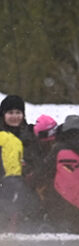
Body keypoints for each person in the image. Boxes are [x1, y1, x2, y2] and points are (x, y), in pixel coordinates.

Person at [0, 94, 37, 230]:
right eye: (10, 113)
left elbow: (37, 158)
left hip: (27, 185)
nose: (15, 116)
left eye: (18, 112)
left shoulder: (30, 135)